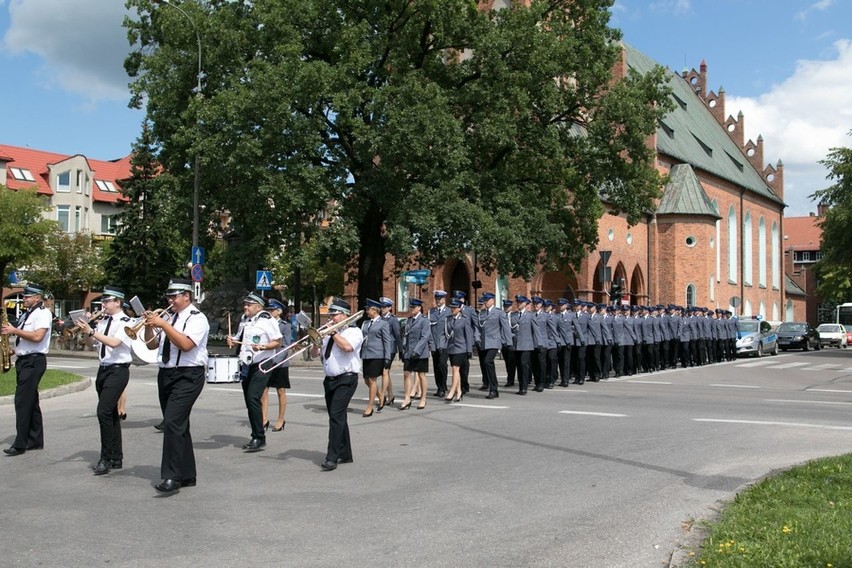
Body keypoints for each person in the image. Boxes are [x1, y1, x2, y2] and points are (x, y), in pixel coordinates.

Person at [144, 278, 209, 494]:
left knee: (171, 422)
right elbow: (152, 344)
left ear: (186, 296)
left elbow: (186, 345)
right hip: (166, 373)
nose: (170, 300)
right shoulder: (169, 317)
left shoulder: (197, 318)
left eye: (174, 296)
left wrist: (163, 324)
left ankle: (171, 477)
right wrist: (148, 327)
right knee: (179, 425)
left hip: (188, 374)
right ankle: (187, 474)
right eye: (168, 296)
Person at [76, 286, 133, 475]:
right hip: (103, 370)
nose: (104, 305)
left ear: (118, 302)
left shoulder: (127, 321)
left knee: (103, 412)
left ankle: (105, 457)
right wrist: (86, 330)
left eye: (107, 301)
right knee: (111, 413)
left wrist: (92, 332)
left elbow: (115, 343)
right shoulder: (103, 321)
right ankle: (117, 456)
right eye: (103, 301)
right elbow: (92, 344)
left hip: (118, 370)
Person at [311, 297, 363, 471]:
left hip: (346, 379)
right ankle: (345, 453)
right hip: (330, 380)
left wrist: (333, 333)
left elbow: (348, 348)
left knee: (336, 416)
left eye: (334, 314)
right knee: (338, 417)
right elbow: (314, 354)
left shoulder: (354, 332)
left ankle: (332, 457)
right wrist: (315, 341)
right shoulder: (327, 332)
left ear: (344, 315)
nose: (330, 318)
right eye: (330, 314)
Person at [228, 292, 282, 452]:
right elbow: (239, 338)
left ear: (258, 307)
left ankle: (259, 436)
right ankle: (257, 433)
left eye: (249, 304)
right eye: (245, 304)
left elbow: (278, 342)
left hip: (262, 363)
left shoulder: (267, 320)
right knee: (249, 400)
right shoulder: (245, 320)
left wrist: (263, 347)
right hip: (247, 363)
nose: (245, 307)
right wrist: (231, 340)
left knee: (253, 397)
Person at [2, 283, 51, 456]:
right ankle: (35, 440)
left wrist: (14, 330)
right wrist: (12, 351)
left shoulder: (43, 314)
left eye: (27, 296)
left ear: (37, 297)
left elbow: (38, 337)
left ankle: (20, 443)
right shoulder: (26, 315)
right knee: (31, 401)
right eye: (24, 296)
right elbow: (26, 341)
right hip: (24, 360)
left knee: (21, 401)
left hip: (34, 361)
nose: (24, 299)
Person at [475, 292, 512, 399]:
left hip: (494, 342)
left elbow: (506, 328)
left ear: (492, 301)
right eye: (484, 301)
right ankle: (493, 388)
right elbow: (478, 328)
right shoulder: (482, 313)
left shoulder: (498, 313)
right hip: (484, 343)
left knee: (487, 361)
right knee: (487, 364)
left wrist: (509, 342)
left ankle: (493, 388)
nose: (485, 302)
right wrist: (477, 338)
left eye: (487, 300)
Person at [263, 299, 290, 432]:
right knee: (264, 390)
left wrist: (275, 360)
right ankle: (264, 419)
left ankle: (281, 419)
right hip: (267, 360)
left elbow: (286, 346)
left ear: (278, 312)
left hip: (280, 362)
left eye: (271, 310)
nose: (269, 313)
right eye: (267, 310)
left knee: (280, 391)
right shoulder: (265, 324)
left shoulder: (285, 326)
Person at [360, 298, 391, 417]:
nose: (366, 311)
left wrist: (387, 358)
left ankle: (370, 407)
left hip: (377, 355)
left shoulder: (383, 323)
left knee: (372, 380)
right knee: (367, 380)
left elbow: (387, 341)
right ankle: (380, 395)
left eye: (368, 309)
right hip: (366, 355)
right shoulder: (366, 323)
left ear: (374, 310)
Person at [399, 298, 430, 410]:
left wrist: (416, 351)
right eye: (410, 307)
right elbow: (405, 336)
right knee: (406, 374)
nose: (411, 309)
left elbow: (425, 337)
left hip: (420, 353)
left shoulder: (424, 320)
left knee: (421, 375)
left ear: (419, 308)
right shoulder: (409, 320)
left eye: (413, 307)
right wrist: (403, 350)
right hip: (408, 352)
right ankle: (407, 398)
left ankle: (423, 398)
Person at [445, 298, 474, 402]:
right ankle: (459, 392)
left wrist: (469, 349)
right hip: (451, 347)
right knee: (454, 369)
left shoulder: (465, 319)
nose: (452, 309)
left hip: (461, 348)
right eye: (451, 307)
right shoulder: (448, 319)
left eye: (454, 307)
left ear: (459, 309)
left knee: (455, 369)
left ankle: (452, 391)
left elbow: (468, 335)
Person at [379, 297, 402, 406]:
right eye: (381, 306)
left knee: (385, 371)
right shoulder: (379, 318)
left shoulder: (393, 319)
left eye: (385, 307)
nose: (382, 309)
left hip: (391, 348)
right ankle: (391, 395)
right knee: (386, 373)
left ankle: (382, 396)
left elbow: (397, 335)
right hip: (382, 348)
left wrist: (400, 350)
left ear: (390, 308)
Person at [427, 290, 450, 398]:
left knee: (442, 364)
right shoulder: (431, 312)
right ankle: (439, 387)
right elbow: (429, 329)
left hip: (444, 344)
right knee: (436, 366)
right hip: (434, 344)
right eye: (436, 299)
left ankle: (443, 387)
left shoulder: (448, 311)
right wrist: (430, 344)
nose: (438, 301)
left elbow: (449, 330)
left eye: (439, 299)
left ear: (444, 299)